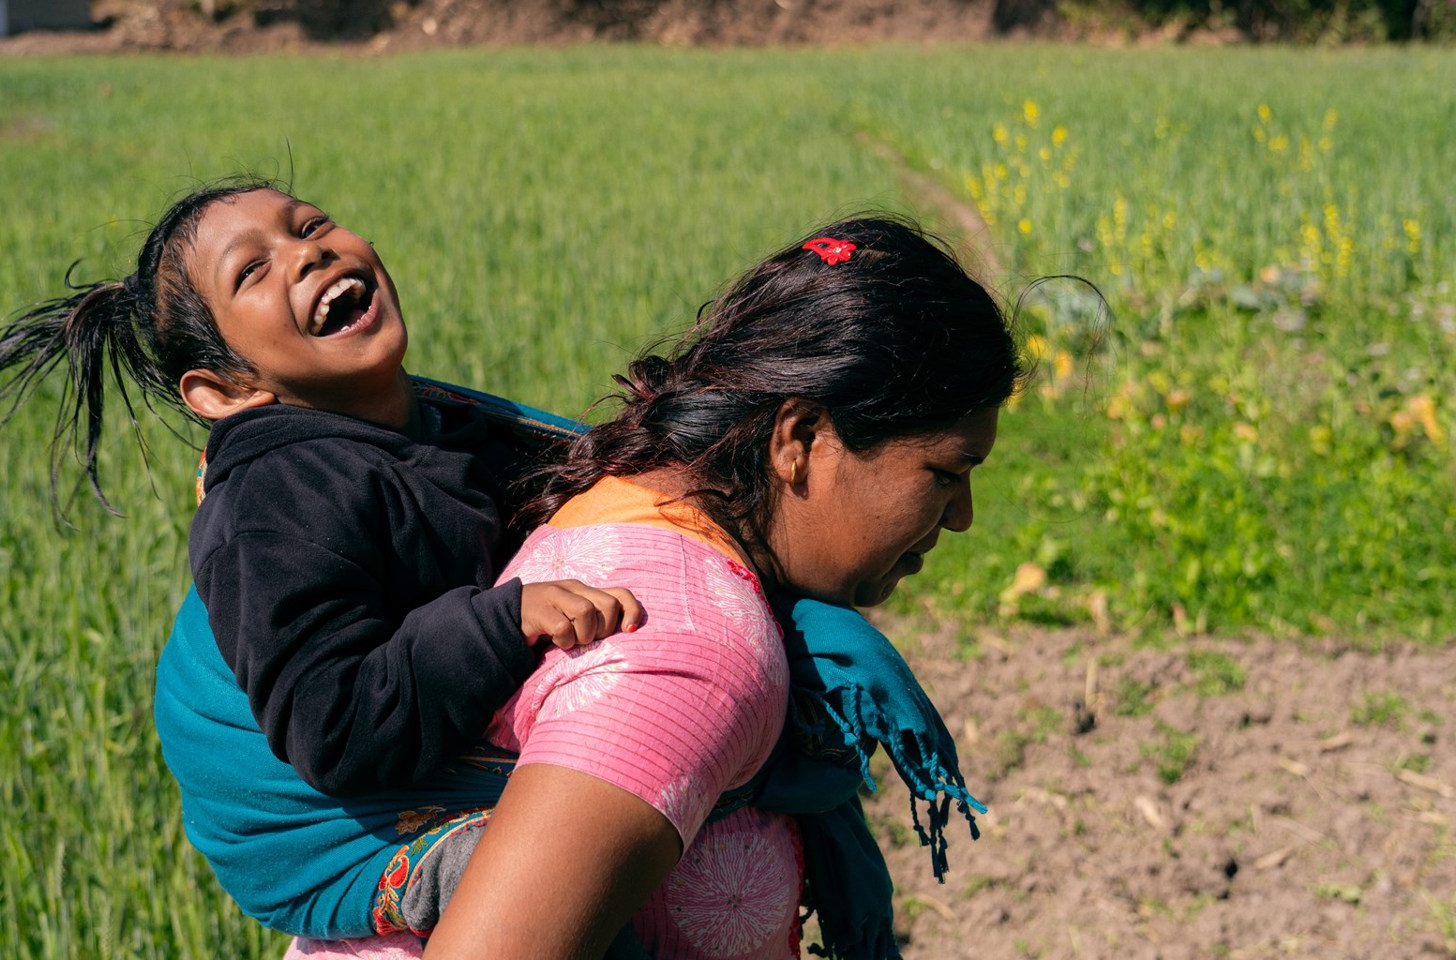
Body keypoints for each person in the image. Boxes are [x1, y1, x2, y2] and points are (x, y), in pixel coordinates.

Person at [288, 216, 1022, 960]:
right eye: (947, 473)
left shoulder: (625, 499)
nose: (961, 517)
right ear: (798, 440)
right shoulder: (689, 651)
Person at [0, 175, 646, 928]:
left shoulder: (438, 423)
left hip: (414, 727)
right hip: (337, 829)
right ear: (224, 390)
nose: (306, 256)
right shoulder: (277, 499)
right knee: (569, 878)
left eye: (311, 226)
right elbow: (335, 727)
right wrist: (500, 624)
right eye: (252, 270)